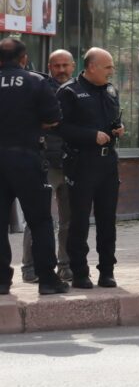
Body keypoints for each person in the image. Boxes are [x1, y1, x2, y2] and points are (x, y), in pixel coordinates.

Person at [0, 38, 69, 295]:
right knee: (40, 221)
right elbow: (53, 119)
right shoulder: (35, 81)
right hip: (26, 158)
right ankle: (47, 280)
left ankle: (1, 281)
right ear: (23, 59)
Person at [57, 48, 123, 289]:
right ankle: (79, 272)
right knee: (80, 221)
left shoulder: (110, 90)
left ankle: (107, 271)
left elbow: (113, 119)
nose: (111, 71)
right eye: (108, 67)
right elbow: (59, 127)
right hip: (82, 163)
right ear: (92, 67)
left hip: (108, 164)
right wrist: (90, 136)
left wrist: (118, 128)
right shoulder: (70, 92)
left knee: (108, 220)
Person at [21, 49, 75, 283]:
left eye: (65, 65)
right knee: (38, 216)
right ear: (49, 67)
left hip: (73, 161)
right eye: (56, 66)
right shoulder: (39, 88)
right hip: (46, 160)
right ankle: (29, 267)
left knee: (69, 219)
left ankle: (65, 265)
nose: (61, 70)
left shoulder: (80, 90)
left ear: (73, 65)